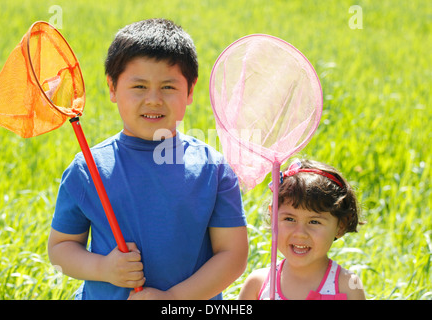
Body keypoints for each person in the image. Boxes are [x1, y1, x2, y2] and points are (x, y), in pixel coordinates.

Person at [48, 18, 248, 300]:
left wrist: (174, 299)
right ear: (112, 88)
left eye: (168, 87)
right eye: (139, 87)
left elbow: (233, 255)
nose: (153, 99)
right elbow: (61, 248)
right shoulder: (87, 170)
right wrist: (104, 268)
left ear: (190, 90)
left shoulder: (212, 170)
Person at [238, 159, 365, 300]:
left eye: (314, 222)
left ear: (340, 226)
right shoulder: (258, 284)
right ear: (273, 217)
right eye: (290, 219)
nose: (300, 233)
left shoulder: (348, 285)